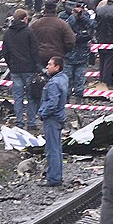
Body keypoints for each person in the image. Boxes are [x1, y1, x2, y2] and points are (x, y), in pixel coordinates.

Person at [2, 8, 41, 131]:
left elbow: (5, 52)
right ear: (25, 18)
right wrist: (37, 66)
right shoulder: (29, 32)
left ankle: (19, 122)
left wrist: (10, 64)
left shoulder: (8, 33)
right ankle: (31, 122)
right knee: (31, 96)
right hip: (29, 69)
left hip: (15, 69)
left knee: (17, 97)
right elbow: (35, 51)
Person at [37, 56, 69, 187]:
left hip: (52, 119)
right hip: (59, 116)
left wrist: (42, 113)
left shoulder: (54, 83)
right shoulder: (63, 78)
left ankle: (54, 178)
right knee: (57, 147)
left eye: (50, 65)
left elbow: (52, 103)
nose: (47, 67)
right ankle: (56, 176)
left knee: (52, 149)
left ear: (57, 67)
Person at [63, 0, 94, 103]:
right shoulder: (64, 15)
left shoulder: (86, 16)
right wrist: (74, 16)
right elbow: (65, 28)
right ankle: (66, 99)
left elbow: (92, 26)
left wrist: (81, 16)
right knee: (67, 79)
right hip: (68, 54)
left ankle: (79, 99)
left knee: (80, 78)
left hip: (82, 54)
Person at [31, 0, 76, 69]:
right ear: (55, 10)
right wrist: (63, 51)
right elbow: (71, 41)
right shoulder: (63, 24)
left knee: (40, 78)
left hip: (39, 56)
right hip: (57, 57)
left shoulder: (35, 24)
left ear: (44, 10)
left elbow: (29, 40)